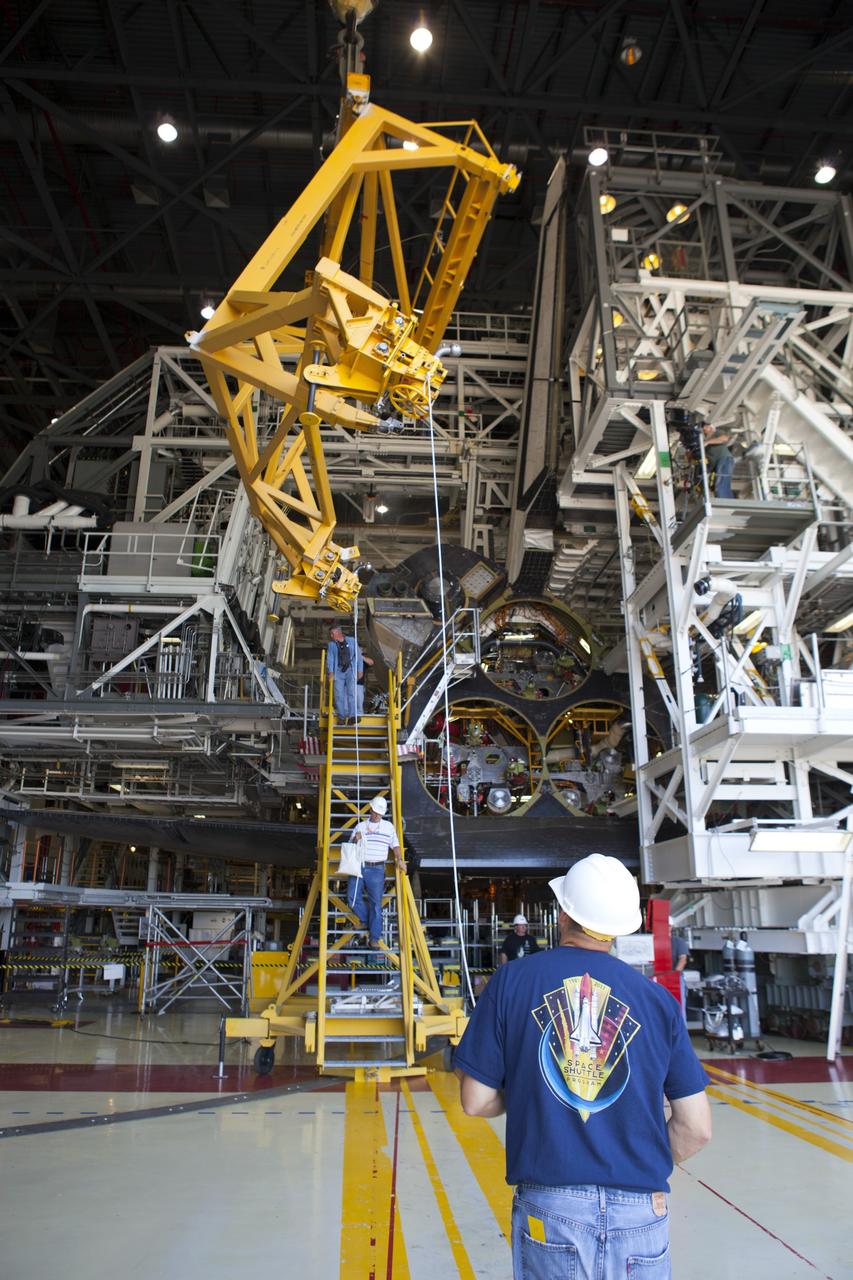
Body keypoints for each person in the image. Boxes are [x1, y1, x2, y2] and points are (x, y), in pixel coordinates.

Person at [454, 854, 711, 1280]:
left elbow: (475, 1100)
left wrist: (524, 1093)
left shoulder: (513, 981)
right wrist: (634, 1169)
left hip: (551, 1206)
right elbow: (696, 1128)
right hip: (641, 1208)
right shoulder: (658, 1002)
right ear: (622, 926)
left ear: (563, 913)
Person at [348, 795, 403, 948]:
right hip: (359, 865)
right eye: (374, 811)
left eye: (379, 813)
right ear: (370, 809)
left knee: (376, 904)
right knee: (352, 897)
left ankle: (375, 937)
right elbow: (350, 845)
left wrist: (400, 860)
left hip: (377, 869)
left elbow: (396, 846)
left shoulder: (388, 827)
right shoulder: (360, 826)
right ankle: (366, 921)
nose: (376, 814)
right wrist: (355, 839)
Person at [326, 625, 362, 723]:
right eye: (331, 634)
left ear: (338, 633)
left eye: (332, 633)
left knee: (352, 693)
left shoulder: (351, 641)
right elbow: (330, 659)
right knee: (338, 695)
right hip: (338, 670)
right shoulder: (331, 645)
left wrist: (360, 669)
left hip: (350, 669)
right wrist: (331, 672)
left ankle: (352, 716)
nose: (331, 636)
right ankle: (341, 717)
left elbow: (358, 656)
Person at [703, 423, 734, 499]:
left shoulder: (716, 432)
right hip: (715, 465)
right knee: (716, 486)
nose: (703, 430)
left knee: (721, 484)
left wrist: (708, 442)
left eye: (704, 427)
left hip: (724, 459)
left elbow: (724, 438)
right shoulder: (703, 441)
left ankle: (727, 504)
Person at [356, 653, 375, 717]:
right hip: (347, 684)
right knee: (346, 703)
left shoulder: (362, 659)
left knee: (359, 702)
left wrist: (360, 656)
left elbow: (371, 662)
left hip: (359, 685)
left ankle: (359, 718)